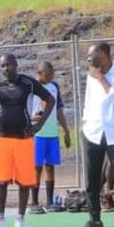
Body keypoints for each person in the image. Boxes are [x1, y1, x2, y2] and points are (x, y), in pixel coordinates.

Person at [0, 54, 54, 227]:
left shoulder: (28, 83)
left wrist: (38, 125)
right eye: (3, 66)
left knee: (24, 182)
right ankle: (0, 221)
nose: (6, 68)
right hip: (3, 139)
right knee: (2, 181)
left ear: (16, 65)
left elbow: (50, 100)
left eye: (9, 65)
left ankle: (20, 218)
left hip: (23, 139)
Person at [77, 42, 114, 227]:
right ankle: (94, 220)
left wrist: (101, 78)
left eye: (92, 55)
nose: (89, 59)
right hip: (92, 131)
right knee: (92, 178)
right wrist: (84, 123)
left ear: (104, 54)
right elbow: (89, 101)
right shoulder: (91, 75)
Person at [28, 61, 71, 214]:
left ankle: (50, 201)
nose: (51, 78)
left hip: (52, 133)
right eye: (48, 75)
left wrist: (66, 130)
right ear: (39, 74)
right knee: (36, 168)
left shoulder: (54, 87)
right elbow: (25, 110)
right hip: (37, 134)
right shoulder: (31, 88)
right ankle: (33, 202)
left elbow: (58, 109)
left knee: (50, 166)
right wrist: (33, 118)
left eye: (52, 75)